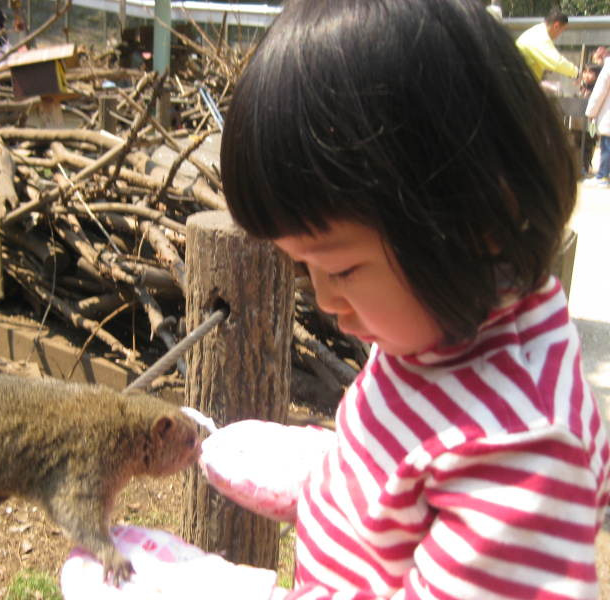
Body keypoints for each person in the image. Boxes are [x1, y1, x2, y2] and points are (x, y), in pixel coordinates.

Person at [218, 1, 610, 598]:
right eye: (304, 267)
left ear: (474, 220)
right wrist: (330, 473)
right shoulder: (445, 325)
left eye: (341, 268)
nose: (324, 300)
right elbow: (408, 449)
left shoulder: (516, 456)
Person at [515, 7, 579, 83]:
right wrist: (577, 73)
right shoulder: (540, 37)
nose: (560, 34)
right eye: (562, 30)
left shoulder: (537, 31)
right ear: (556, 26)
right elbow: (557, 62)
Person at [585, 47, 610, 187]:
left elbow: (599, 93)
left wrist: (590, 112)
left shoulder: (608, 68)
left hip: (608, 115)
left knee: (607, 146)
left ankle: (602, 176)